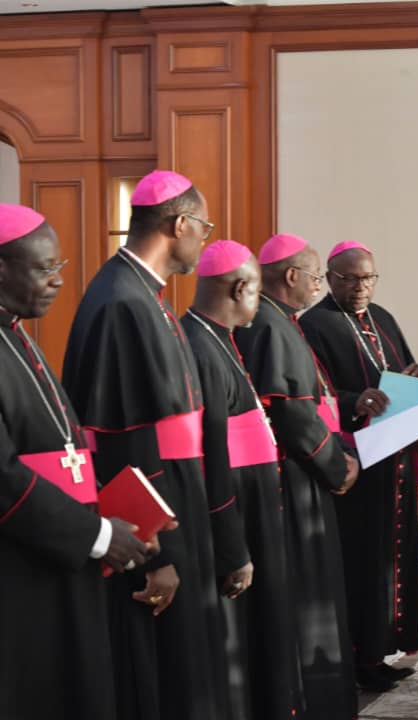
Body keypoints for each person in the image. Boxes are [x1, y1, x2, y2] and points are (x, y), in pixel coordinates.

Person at [61, 170, 230, 720]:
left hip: (179, 500)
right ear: (179, 224)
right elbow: (126, 441)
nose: (203, 239)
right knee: (161, 669)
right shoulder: (121, 301)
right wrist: (159, 555)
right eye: (203, 227)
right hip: (155, 527)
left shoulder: (142, 294)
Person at [0, 204, 154, 720]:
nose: (59, 280)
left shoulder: (16, 333)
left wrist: (119, 521)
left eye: (60, 266)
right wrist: (98, 535)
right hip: (20, 571)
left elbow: (63, 449)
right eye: (45, 268)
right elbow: (4, 478)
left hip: (63, 551)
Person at [233, 233, 359, 720]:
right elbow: (292, 415)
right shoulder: (269, 324)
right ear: (291, 276)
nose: (319, 285)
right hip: (294, 478)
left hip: (303, 471)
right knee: (306, 591)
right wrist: (336, 465)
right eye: (315, 277)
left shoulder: (278, 320)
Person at [180, 240, 301, 720]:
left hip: (254, 509)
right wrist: (233, 549)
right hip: (235, 518)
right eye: (256, 292)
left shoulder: (218, 338)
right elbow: (211, 454)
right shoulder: (200, 348)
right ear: (240, 289)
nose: (259, 302)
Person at [299, 240, 418, 693]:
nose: (360, 287)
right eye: (350, 279)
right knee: (361, 561)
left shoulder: (383, 318)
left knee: (391, 560)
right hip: (355, 462)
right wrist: (356, 400)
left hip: (395, 461)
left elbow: (400, 370)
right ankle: (356, 657)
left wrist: (416, 380)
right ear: (330, 279)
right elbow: (315, 393)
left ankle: (380, 651)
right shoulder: (314, 325)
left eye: (368, 278)